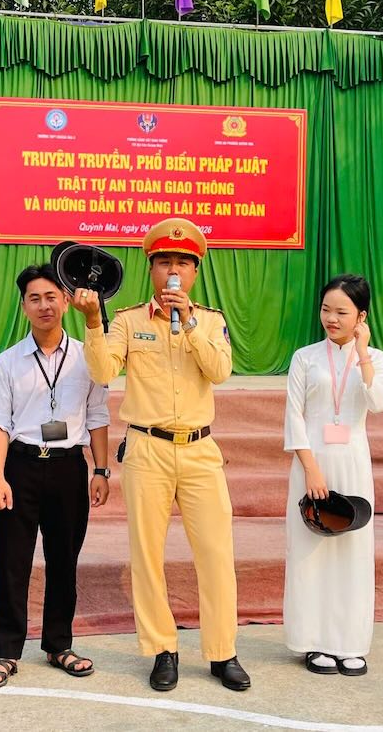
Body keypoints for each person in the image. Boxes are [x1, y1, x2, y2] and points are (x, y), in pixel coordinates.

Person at [71, 217, 251, 693]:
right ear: (151, 268)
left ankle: (221, 651)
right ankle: (162, 649)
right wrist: (93, 322)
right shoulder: (129, 320)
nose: (173, 271)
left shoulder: (210, 321)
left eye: (183, 263)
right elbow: (103, 368)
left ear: (195, 272)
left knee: (216, 553)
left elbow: (219, 370)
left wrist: (188, 322)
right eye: (164, 262)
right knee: (146, 555)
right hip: (147, 448)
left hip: (199, 449)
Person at [0, 263, 111, 689]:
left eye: (51, 296)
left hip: (69, 467)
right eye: (34, 298)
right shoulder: (6, 363)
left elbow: (97, 416)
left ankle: (59, 645)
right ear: (23, 307)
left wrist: (102, 469)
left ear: (67, 301)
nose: (44, 305)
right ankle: (7, 651)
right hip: (20, 467)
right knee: (11, 563)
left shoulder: (89, 357)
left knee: (63, 562)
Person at [283, 274, 383, 677]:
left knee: (352, 553)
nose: (331, 318)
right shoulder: (304, 357)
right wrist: (310, 469)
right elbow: (293, 416)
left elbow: (378, 403)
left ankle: (349, 642)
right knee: (310, 552)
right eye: (326, 309)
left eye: (342, 312)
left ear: (361, 316)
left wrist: (362, 353)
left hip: (353, 462)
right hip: (311, 463)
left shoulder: (374, 359)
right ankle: (313, 641)